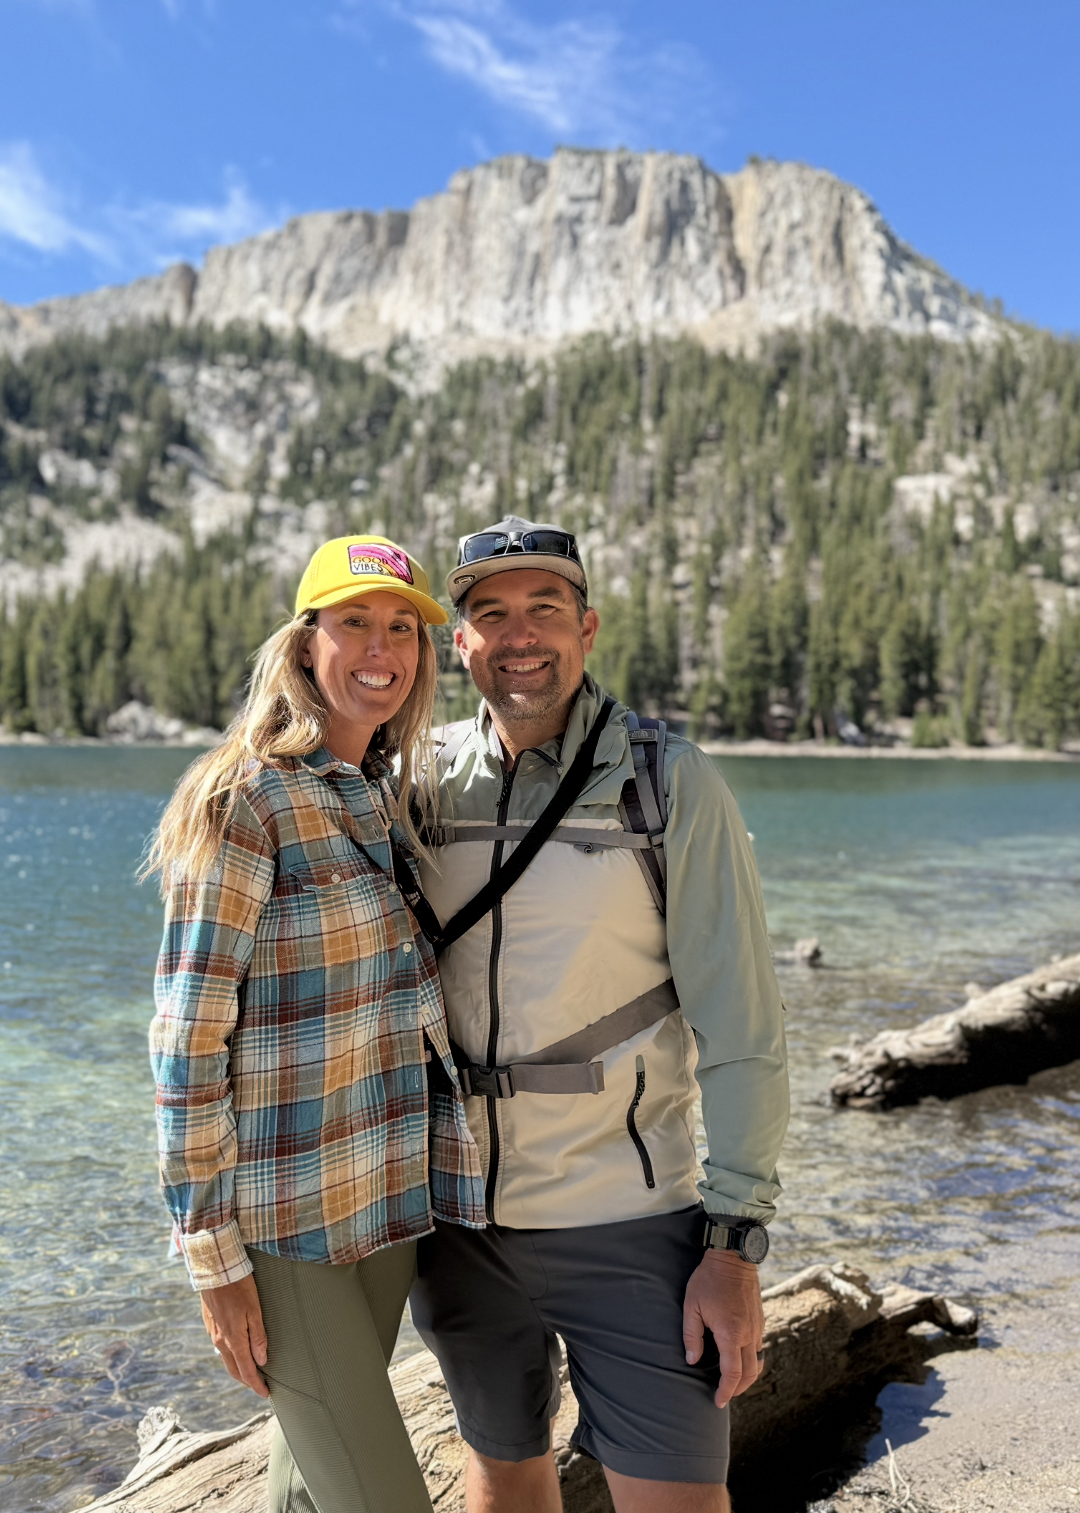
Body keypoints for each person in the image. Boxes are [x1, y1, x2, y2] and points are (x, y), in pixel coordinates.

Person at [408, 516, 790, 1513]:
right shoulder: (417, 784)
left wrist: (734, 1242)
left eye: (543, 609)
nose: (518, 634)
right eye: (490, 614)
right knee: (502, 1484)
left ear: (588, 627)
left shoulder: (668, 783)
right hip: (460, 1231)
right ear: (461, 645)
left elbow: (744, 1031)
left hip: (633, 1226)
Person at [145, 535, 484, 1513]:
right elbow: (185, 1040)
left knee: (307, 1497)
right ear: (304, 645)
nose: (381, 646)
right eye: (353, 623)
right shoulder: (244, 796)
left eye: (400, 628)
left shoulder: (376, 796)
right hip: (286, 1229)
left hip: (380, 1206)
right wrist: (211, 1260)